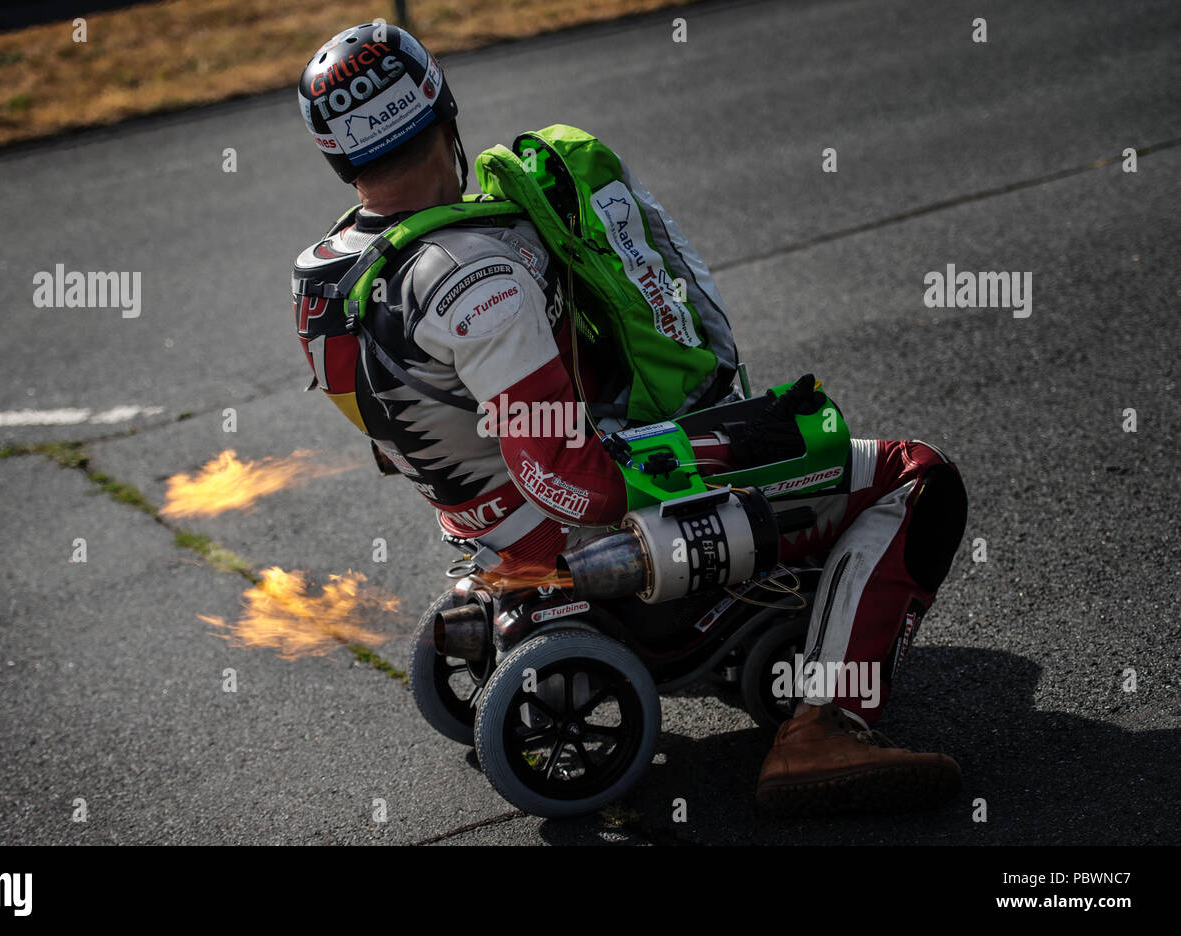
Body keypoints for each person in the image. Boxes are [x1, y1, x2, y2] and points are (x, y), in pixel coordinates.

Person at [292, 22, 969, 816]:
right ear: (442, 102)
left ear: (337, 152)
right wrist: (717, 448)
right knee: (914, 476)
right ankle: (826, 726)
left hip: (484, 529)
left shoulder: (325, 278)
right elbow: (563, 476)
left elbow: (395, 442)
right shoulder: (477, 279)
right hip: (574, 531)